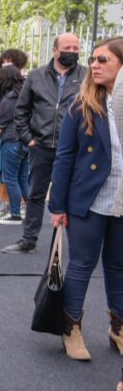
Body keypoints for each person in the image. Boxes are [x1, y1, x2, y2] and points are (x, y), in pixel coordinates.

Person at [47, 36, 123, 362]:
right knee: (81, 265)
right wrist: (58, 206)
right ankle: (71, 327)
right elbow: (64, 158)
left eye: (103, 59)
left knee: (119, 267)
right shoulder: (82, 105)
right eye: (93, 59)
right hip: (88, 201)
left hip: (121, 203)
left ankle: (118, 327)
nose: (94, 64)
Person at [3, 33, 86, 254]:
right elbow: (21, 110)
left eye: (76, 48)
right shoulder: (36, 76)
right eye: (68, 47)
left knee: (76, 195)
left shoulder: (86, 77)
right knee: (35, 194)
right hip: (41, 147)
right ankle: (28, 239)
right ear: (55, 50)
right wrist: (28, 138)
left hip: (74, 149)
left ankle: (78, 245)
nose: (72, 52)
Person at [0, 49, 30, 217]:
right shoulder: (25, 93)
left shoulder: (8, 99)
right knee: (23, 178)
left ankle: (14, 213)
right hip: (25, 140)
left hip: (12, 141)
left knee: (10, 178)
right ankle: (29, 210)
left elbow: (0, 126)